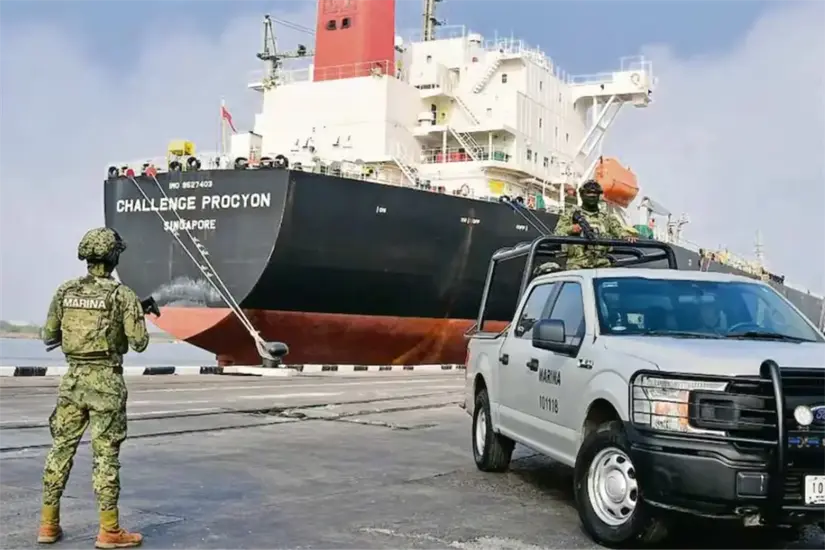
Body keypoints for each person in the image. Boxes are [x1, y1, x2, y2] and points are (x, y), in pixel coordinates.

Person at [38, 227, 149, 548]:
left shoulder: (64, 291)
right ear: (114, 257)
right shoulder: (122, 294)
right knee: (105, 457)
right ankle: (110, 531)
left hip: (72, 382)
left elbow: (48, 333)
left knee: (60, 449)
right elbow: (139, 343)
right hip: (106, 383)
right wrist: (137, 315)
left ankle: (48, 525)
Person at [553, 180, 637, 269]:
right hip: (577, 264)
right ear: (582, 195)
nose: (592, 196)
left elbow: (619, 230)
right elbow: (557, 233)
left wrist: (626, 236)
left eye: (595, 194)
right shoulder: (570, 214)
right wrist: (571, 229)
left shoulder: (607, 217)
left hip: (602, 263)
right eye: (588, 193)